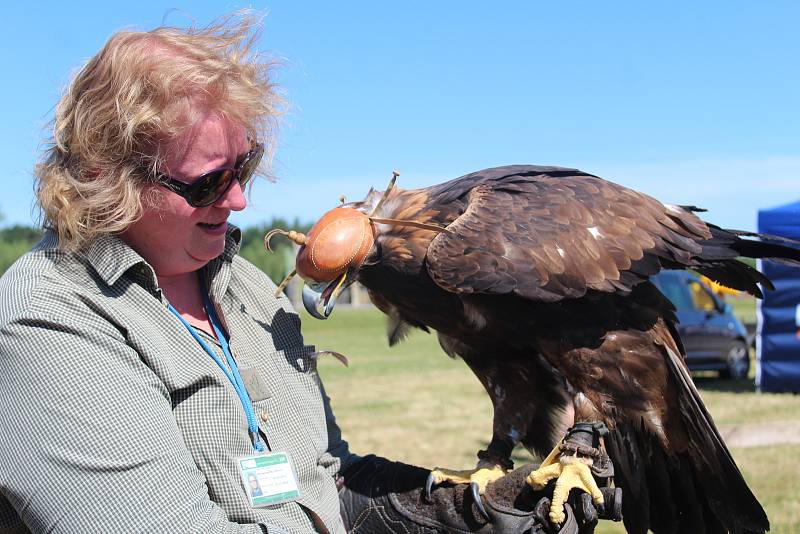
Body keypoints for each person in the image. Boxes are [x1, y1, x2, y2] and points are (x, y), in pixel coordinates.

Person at [0, 13, 611, 534]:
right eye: (208, 180)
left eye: (247, 164)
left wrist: (462, 511)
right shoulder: (46, 323)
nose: (239, 199)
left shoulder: (245, 289)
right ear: (111, 183)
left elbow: (321, 480)